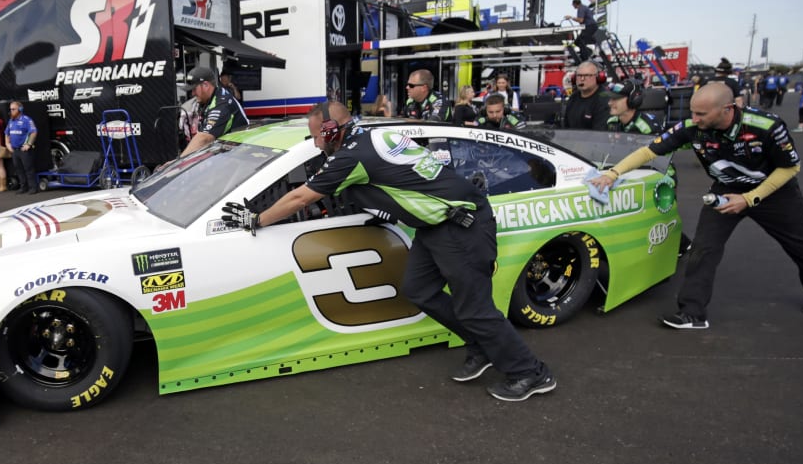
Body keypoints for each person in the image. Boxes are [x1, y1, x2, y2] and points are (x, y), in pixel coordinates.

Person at [220, 101, 556, 401]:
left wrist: (257, 219)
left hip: (461, 226)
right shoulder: (370, 137)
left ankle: (530, 373)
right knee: (419, 289)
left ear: (331, 130)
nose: (314, 143)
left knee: (475, 309)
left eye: (316, 136)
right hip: (436, 225)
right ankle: (481, 346)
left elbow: (300, 198)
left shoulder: (352, 155)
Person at [589, 83, 803, 328]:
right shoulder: (691, 126)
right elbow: (649, 152)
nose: (694, 118)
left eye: (701, 113)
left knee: (799, 243)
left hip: (773, 193)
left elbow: (790, 167)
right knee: (703, 248)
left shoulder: (767, 126)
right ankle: (692, 313)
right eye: (692, 112)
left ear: (727, 109)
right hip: (725, 189)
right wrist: (613, 173)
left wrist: (749, 198)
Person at [177, 67, 248, 158]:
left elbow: (204, 138)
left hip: (240, 157)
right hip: (227, 153)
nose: (193, 93)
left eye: (194, 89)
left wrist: (179, 162)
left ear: (206, 85)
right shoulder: (209, 98)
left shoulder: (222, 104)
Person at [560, 61, 609, 130]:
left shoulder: (606, 100)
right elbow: (566, 127)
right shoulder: (573, 98)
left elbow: (600, 134)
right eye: (579, 75)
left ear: (598, 78)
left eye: (587, 75)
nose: (582, 79)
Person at [5, 101, 38, 194]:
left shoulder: (27, 120)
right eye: (10, 109)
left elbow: (34, 132)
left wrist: (28, 144)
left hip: (24, 150)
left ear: (20, 109)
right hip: (15, 150)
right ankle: (23, 187)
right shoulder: (11, 121)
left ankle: (33, 188)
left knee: (28, 169)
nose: (11, 111)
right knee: (19, 169)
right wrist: (7, 143)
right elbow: (7, 133)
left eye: (13, 109)